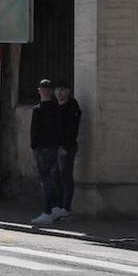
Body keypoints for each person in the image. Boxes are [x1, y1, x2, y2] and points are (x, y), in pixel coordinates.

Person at [29, 79, 64, 225]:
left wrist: (34, 146)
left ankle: (48, 211)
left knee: (46, 179)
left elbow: (35, 131)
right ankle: (55, 207)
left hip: (43, 148)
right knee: (53, 177)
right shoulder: (57, 109)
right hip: (53, 147)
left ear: (40, 91)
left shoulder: (38, 109)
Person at [56, 84, 82, 219]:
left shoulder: (72, 106)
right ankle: (58, 206)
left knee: (65, 176)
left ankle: (66, 207)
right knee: (56, 176)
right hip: (55, 147)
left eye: (62, 90)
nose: (59, 93)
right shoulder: (55, 106)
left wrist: (65, 146)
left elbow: (72, 128)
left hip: (67, 147)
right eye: (58, 90)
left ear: (68, 91)